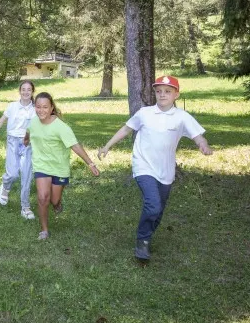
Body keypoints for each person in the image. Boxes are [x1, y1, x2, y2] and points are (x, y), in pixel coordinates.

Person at [98, 75, 212, 261]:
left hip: (166, 172)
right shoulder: (145, 113)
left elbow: (198, 136)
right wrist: (107, 146)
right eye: (158, 91)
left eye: (167, 91)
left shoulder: (182, 117)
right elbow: (127, 129)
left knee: (158, 210)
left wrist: (203, 145)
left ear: (176, 94)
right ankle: (142, 242)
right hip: (143, 166)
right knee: (153, 206)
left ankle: (147, 236)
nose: (162, 94)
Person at [26, 92, 100, 240]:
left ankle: (57, 203)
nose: (41, 110)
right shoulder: (33, 122)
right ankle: (44, 230)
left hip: (59, 168)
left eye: (45, 107)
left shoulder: (61, 127)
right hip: (41, 166)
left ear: (51, 107)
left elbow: (75, 145)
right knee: (42, 197)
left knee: (54, 200)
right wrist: (25, 140)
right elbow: (29, 133)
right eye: (38, 107)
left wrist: (90, 163)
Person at [0, 80, 36, 219]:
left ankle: (25, 207)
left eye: (29, 89)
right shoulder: (12, 106)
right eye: (23, 89)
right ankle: (5, 188)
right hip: (12, 141)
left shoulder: (36, 108)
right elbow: (0, 122)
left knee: (26, 176)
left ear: (32, 92)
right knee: (12, 174)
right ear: (19, 91)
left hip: (28, 144)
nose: (26, 92)